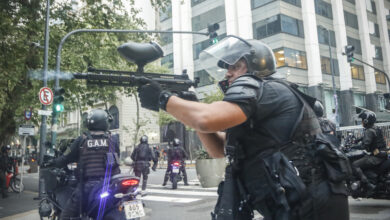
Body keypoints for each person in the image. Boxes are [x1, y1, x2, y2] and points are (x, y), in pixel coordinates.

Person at [137, 37, 349, 220]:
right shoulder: (254, 103)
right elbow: (219, 150)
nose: (227, 74)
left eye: (235, 66)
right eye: (227, 68)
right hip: (291, 201)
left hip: (312, 202)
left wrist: (164, 99)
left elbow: (205, 118)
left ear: (256, 66)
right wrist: (192, 111)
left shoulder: (268, 90)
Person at [48, 109, 120, 219]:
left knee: (66, 215)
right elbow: (117, 156)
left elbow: (65, 158)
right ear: (105, 123)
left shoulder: (82, 140)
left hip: (89, 186)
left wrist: (52, 162)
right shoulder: (113, 139)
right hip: (111, 183)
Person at [352, 111, 387, 193]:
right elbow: (367, 138)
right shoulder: (376, 128)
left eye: (362, 120)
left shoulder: (369, 131)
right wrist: (358, 139)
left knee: (354, 165)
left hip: (376, 157)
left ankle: (368, 184)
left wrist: (354, 146)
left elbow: (365, 146)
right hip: (382, 154)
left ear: (366, 121)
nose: (362, 122)